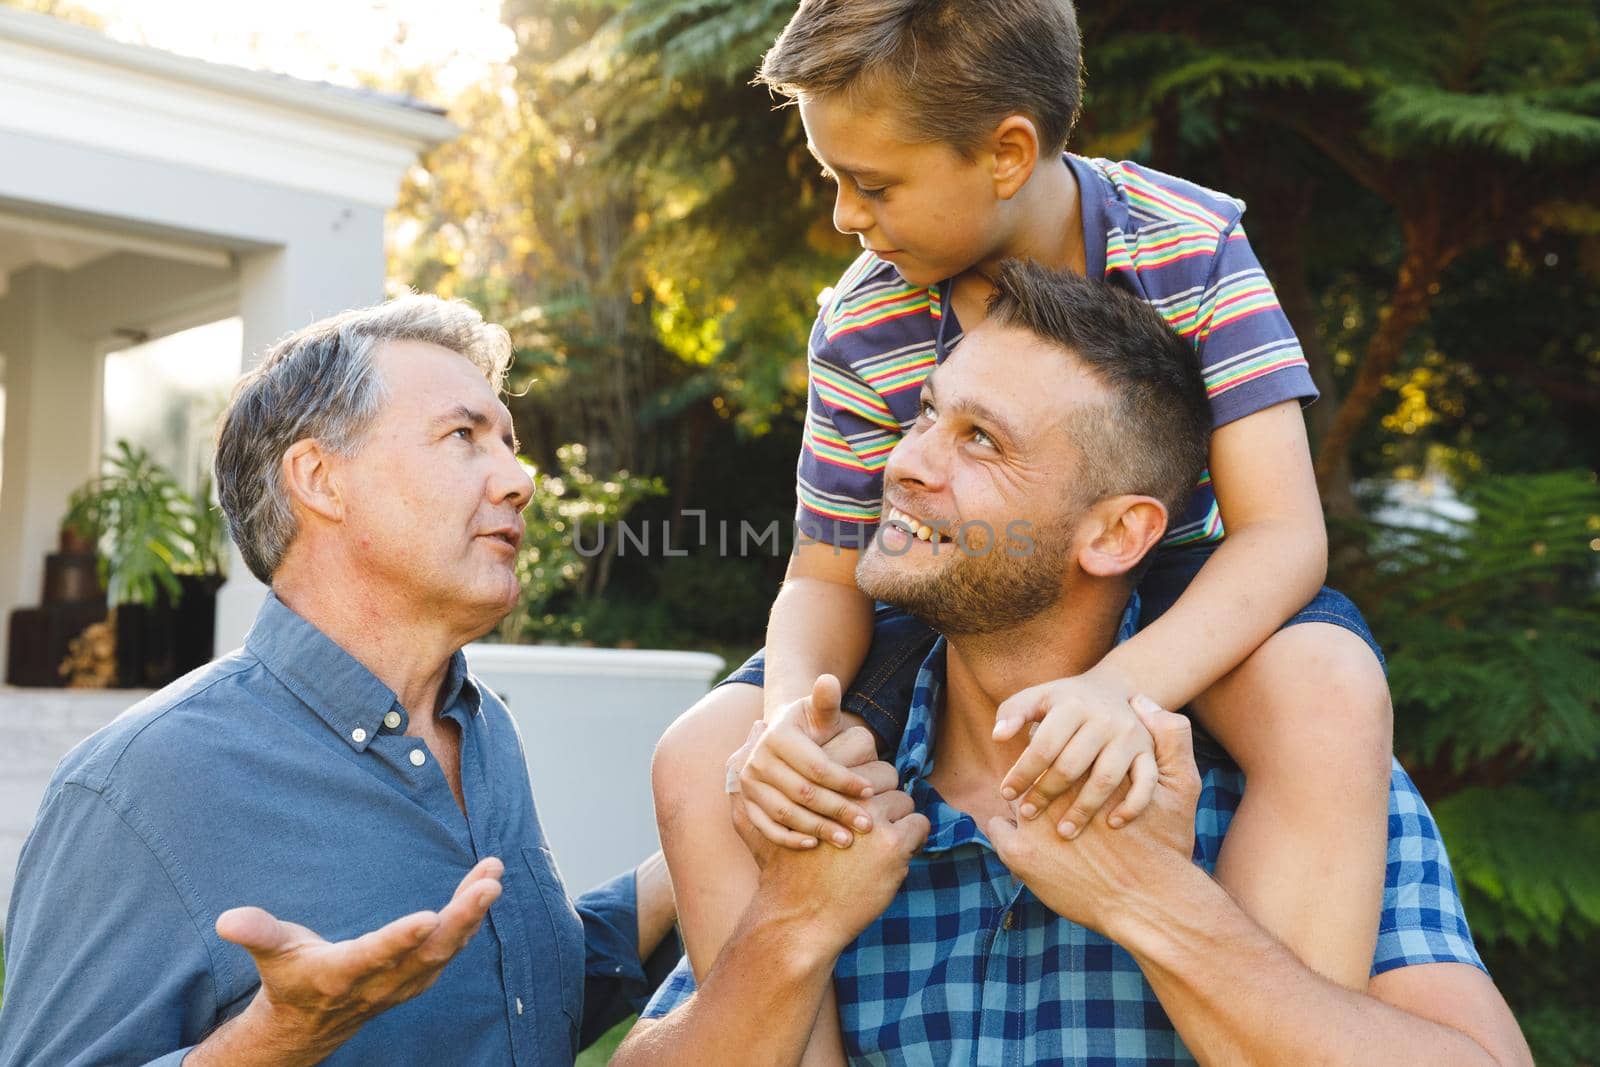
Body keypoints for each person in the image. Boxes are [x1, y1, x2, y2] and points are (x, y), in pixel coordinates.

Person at [654, 7, 1393, 1053]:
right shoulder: (868, 318)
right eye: (833, 177)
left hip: (1182, 569)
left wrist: (1117, 688)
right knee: (701, 754)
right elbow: (822, 576)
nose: (841, 216)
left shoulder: (1185, 244)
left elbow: (1280, 535)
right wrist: (789, 722)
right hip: (949, 584)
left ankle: (1268, 1026)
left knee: (1325, 688)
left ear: (1005, 152)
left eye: (870, 183)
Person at [622, 262, 1531, 1065]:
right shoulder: (815, 787)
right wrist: (790, 929)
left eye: (981, 439)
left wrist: (1157, 902)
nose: (904, 465)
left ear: (1117, 532)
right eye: (929, 414)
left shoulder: (1293, 768)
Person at [0, 296, 677, 1066]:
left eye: (509, 442)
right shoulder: (137, 787)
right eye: (465, 435)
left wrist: (709, 831)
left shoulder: (487, 731)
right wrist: (279, 1037)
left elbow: (511, 1003)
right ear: (320, 479)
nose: (519, 480)